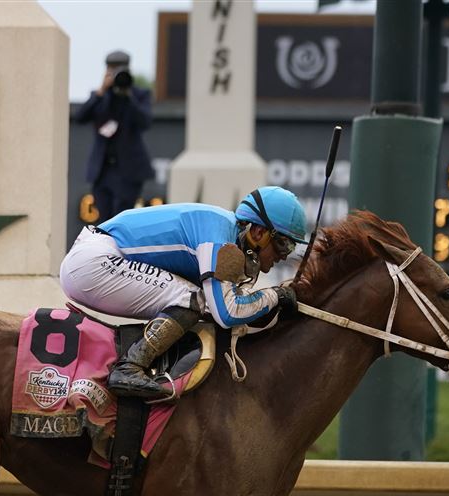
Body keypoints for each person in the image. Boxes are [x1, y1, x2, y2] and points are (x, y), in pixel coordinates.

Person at [59, 186, 307, 400]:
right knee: (194, 299)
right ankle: (129, 368)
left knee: (199, 300)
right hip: (94, 261)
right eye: (284, 243)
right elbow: (228, 312)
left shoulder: (230, 237)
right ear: (258, 233)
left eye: (292, 246)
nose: (285, 254)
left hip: (95, 259)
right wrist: (276, 295)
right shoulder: (218, 238)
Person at [76, 50, 154, 223]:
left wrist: (128, 97)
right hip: (103, 171)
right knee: (103, 221)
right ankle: (106, 251)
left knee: (122, 220)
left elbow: (145, 122)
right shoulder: (100, 96)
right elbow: (80, 117)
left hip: (129, 170)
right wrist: (101, 91)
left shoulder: (139, 95)